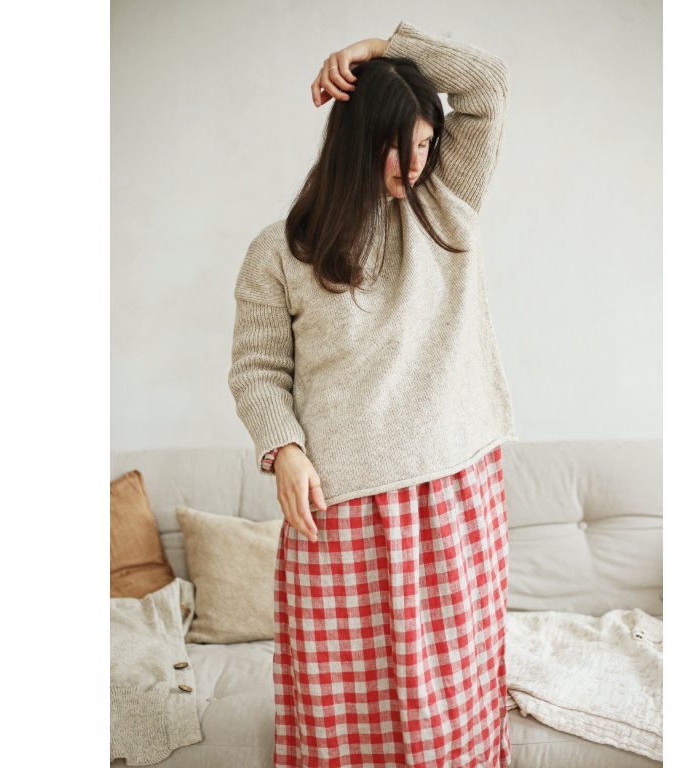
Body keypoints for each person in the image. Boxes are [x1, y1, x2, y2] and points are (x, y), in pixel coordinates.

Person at [228, 19, 517, 768]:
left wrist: (382, 50)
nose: (416, 163)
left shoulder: (446, 200)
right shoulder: (280, 251)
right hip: (341, 508)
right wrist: (284, 449)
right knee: (342, 719)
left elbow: (486, 85)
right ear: (357, 139)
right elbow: (257, 369)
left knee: (449, 715)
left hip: (450, 495)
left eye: (426, 143)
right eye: (399, 145)